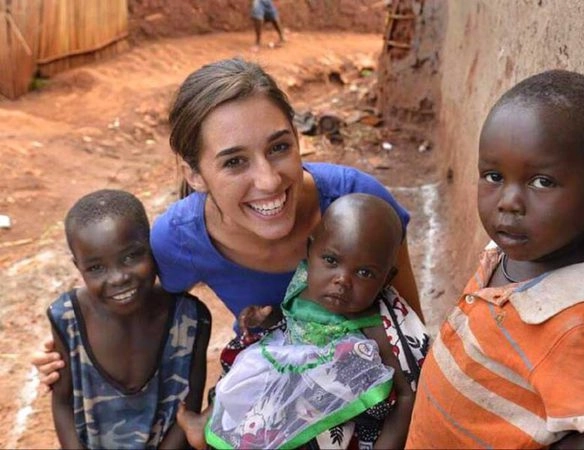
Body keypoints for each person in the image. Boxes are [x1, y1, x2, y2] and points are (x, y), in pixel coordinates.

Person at [33, 58, 422, 402]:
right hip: (272, 392)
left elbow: (412, 326)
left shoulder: (361, 208)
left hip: (371, 391)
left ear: (297, 137)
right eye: (234, 162)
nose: (268, 181)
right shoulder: (180, 240)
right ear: (194, 174)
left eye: (279, 148)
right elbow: (134, 302)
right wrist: (71, 341)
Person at [405, 69, 584, 449]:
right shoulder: (508, 253)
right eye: (493, 176)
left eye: (542, 182)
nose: (508, 202)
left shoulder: (572, 328)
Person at [177, 193, 429, 449]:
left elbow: (407, 396)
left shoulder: (377, 327)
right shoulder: (305, 284)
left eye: (364, 272)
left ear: (387, 278)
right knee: (243, 368)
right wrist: (266, 318)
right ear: (310, 250)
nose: (342, 280)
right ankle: (206, 423)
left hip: (332, 413)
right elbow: (292, 320)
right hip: (286, 375)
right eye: (331, 260)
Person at [47, 189, 212, 449]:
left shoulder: (190, 319)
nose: (118, 278)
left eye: (130, 256)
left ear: (151, 246)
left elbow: (187, 410)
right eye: (96, 267)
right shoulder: (67, 318)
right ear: (78, 266)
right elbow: (62, 403)